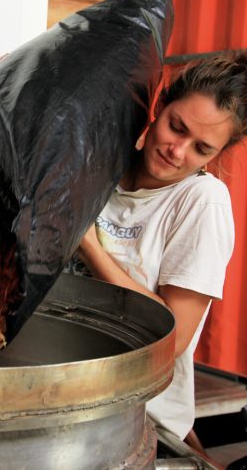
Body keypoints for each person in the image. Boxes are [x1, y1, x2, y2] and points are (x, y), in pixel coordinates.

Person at [74, 51, 247, 445]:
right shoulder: (102, 168)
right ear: (160, 106)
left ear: (217, 155)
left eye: (201, 148)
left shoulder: (201, 202)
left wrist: (88, 245)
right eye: (176, 127)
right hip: (70, 392)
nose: (178, 151)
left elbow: (173, 336)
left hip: (141, 418)